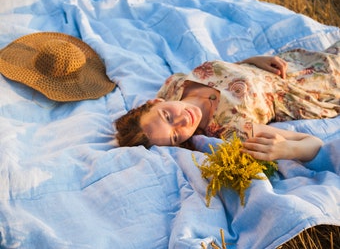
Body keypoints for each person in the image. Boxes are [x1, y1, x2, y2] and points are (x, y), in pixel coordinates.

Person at [115, 41, 340, 162]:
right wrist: (287, 149)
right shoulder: (230, 130)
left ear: (155, 102)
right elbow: (313, 143)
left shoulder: (174, 85)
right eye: (175, 136)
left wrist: (250, 62)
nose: (183, 120)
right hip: (319, 85)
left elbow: (226, 75)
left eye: (167, 115)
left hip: (294, 60)